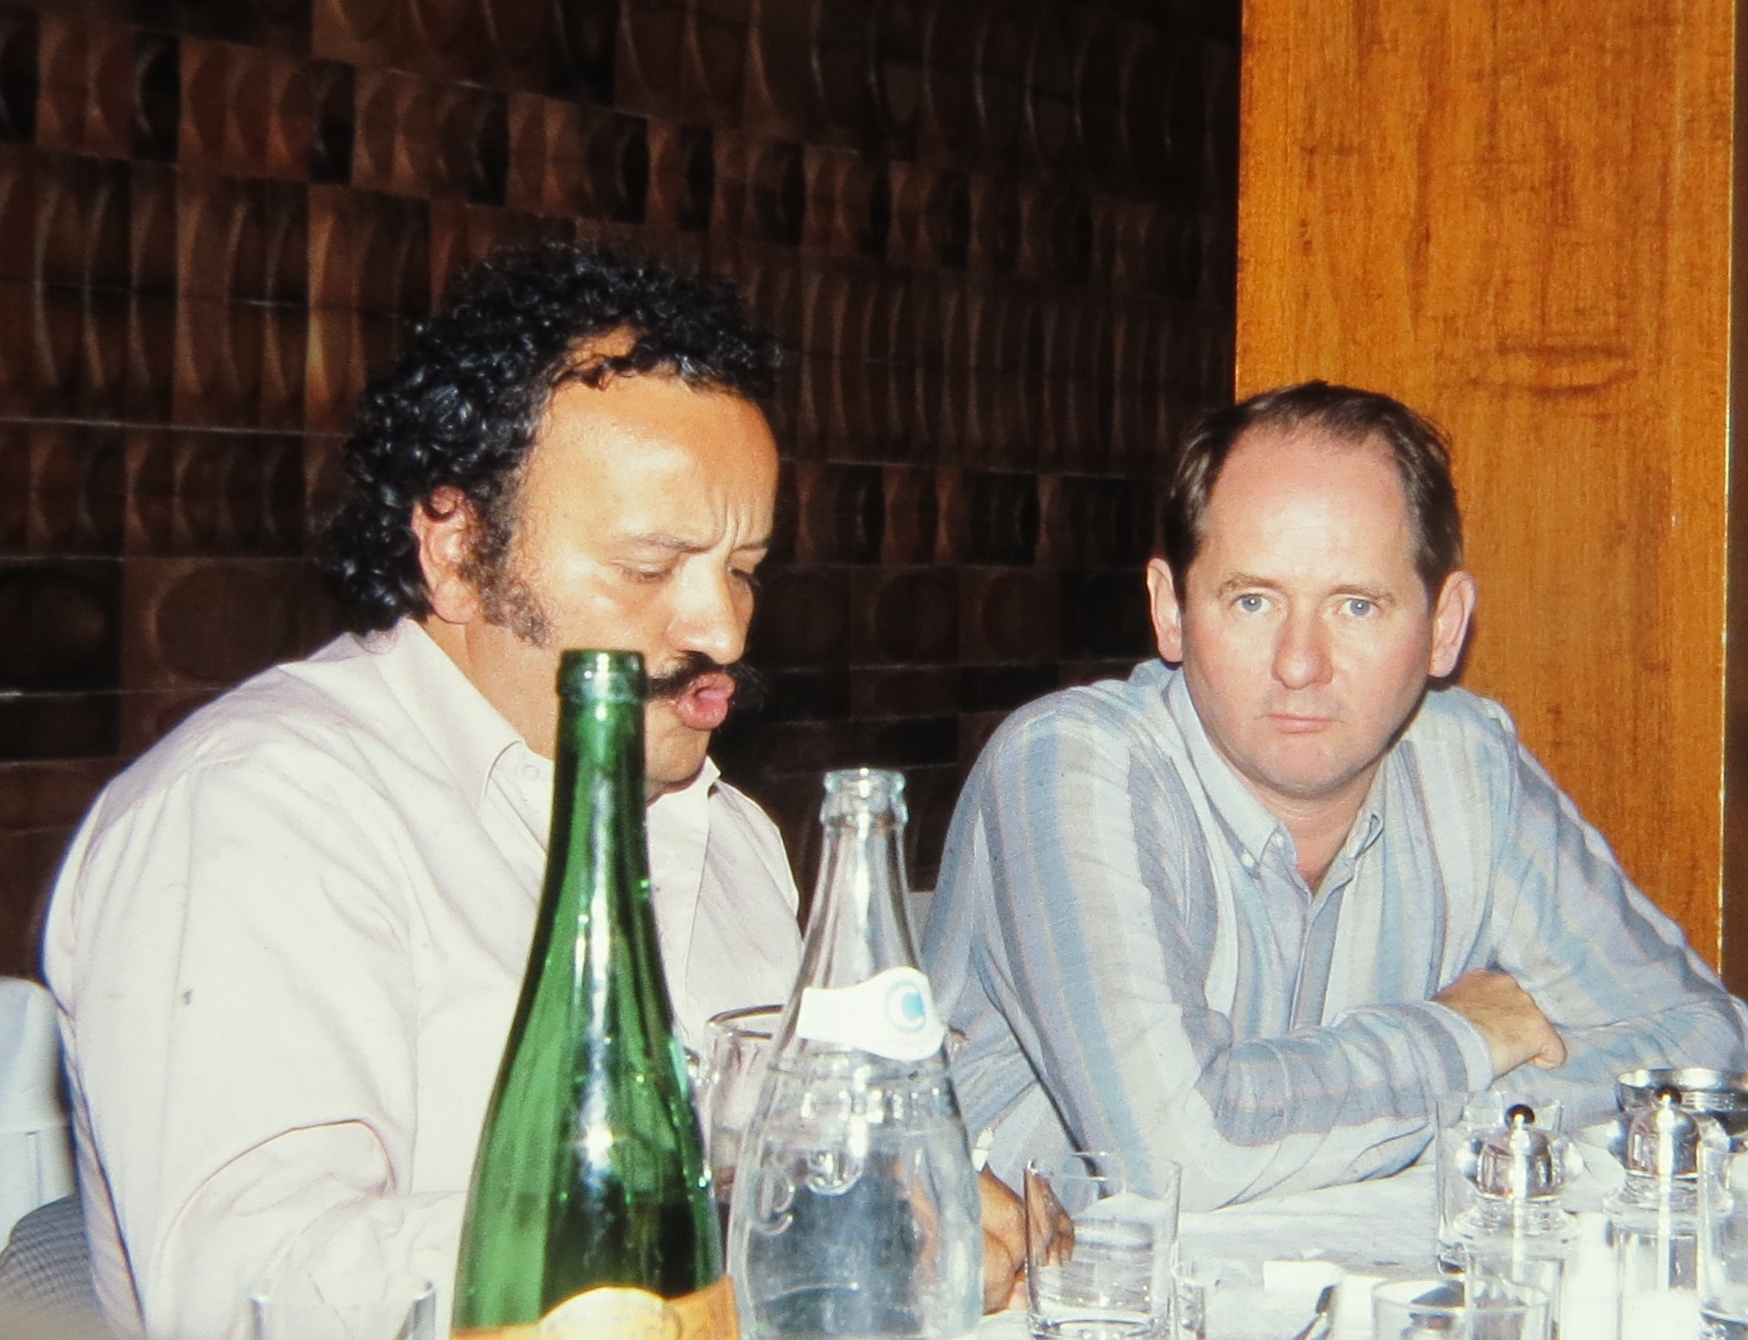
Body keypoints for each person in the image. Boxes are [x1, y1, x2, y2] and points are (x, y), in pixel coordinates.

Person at [43, 245, 1021, 1340]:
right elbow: (257, 1292)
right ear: (459, 550)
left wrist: (899, 1185)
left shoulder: (727, 830)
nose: (722, 629)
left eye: (743, 569)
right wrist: (769, 1232)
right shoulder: (257, 811)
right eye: (648, 567)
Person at [922, 380, 1748, 1212]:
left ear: (1444, 626)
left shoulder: (1467, 766)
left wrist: (1474, 1117)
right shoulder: (1070, 766)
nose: (1300, 664)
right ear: (1171, 611)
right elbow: (1180, 1153)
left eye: (1356, 605)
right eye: (1253, 600)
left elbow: (1705, 1051)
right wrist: (1464, 1038)